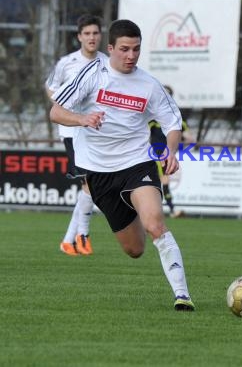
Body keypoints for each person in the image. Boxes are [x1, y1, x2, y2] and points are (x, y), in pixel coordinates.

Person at [49, 19, 195, 311]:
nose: (131, 56)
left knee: (155, 223)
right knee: (135, 249)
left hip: (136, 163)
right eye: (124, 49)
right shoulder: (91, 75)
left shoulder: (149, 85)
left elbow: (172, 123)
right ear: (111, 48)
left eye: (136, 50)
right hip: (98, 172)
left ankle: (183, 295)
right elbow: (56, 111)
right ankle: (134, 212)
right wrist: (82, 119)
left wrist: (171, 150)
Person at [45, 14, 107, 256]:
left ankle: (69, 240)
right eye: (87, 33)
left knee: (89, 183)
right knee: (88, 180)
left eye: (95, 33)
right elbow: (50, 86)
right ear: (79, 36)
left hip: (96, 131)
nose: (91, 37)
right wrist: (66, 106)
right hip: (72, 129)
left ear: (100, 36)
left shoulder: (106, 62)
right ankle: (82, 235)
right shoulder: (67, 63)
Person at [148, 85, 191, 218]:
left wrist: (182, 138)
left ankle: (167, 210)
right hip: (152, 154)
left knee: (162, 182)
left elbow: (190, 137)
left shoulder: (175, 118)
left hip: (165, 155)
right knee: (159, 183)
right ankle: (170, 210)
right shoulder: (152, 117)